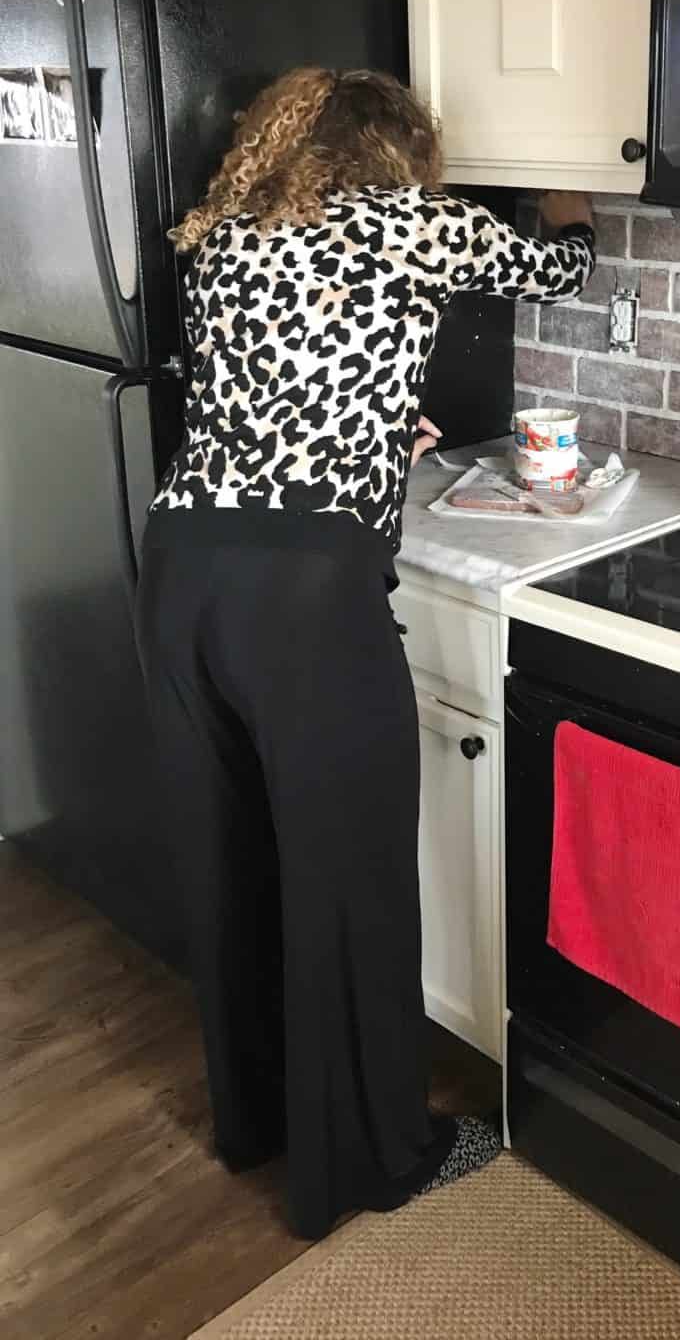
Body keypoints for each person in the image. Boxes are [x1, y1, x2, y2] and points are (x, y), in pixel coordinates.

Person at [135, 66, 595, 1240]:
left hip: (187, 572)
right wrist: (571, 200)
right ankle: (377, 1159)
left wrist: (392, 420)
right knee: (353, 881)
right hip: (303, 596)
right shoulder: (408, 225)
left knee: (233, 863)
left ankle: (257, 1126)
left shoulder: (226, 235)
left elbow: (273, 390)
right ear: (398, 154)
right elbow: (559, 274)